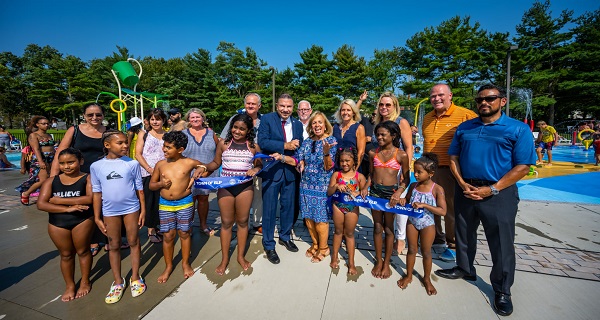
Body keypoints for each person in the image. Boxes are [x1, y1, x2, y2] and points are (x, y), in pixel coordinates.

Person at [435, 84, 536, 317]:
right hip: (466, 188)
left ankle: (502, 290)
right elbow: (453, 157)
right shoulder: (465, 128)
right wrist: (461, 184)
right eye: (480, 99)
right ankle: (465, 268)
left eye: (490, 98)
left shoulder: (517, 129)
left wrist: (492, 189)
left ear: (503, 100)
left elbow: (523, 167)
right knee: (463, 232)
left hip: (499, 193)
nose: (483, 102)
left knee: (500, 241)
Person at [422, 83, 477, 261]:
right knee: (430, 205)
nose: (436, 98)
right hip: (429, 170)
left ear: (450, 95)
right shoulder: (428, 117)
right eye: (433, 96)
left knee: (450, 209)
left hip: (450, 170)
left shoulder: (465, 115)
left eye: (440, 95)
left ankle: (453, 244)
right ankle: (437, 238)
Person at [91, 130, 146, 304]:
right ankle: (117, 281)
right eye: (120, 143)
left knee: (133, 241)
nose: (125, 145)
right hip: (109, 211)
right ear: (107, 145)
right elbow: (96, 193)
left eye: (126, 142)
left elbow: (140, 189)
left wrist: (143, 210)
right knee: (113, 245)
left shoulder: (132, 164)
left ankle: (135, 277)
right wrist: (97, 217)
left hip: (131, 208)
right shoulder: (97, 166)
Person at [204, 113, 262, 275]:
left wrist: (255, 169)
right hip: (226, 187)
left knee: (243, 222)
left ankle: (240, 256)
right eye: (235, 127)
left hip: (245, 188)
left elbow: (259, 165)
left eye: (242, 129)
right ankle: (224, 259)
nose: (237, 131)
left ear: (249, 130)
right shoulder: (224, 144)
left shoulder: (253, 146)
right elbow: (216, 163)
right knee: (227, 223)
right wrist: (203, 168)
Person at [37, 148, 94, 302]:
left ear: (80, 161)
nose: (66, 166)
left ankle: (84, 280)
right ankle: (69, 285)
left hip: (82, 220)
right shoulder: (52, 181)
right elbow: (41, 204)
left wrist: (59, 200)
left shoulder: (87, 178)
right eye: (62, 163)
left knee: (83, 251)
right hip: (58, 222)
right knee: (66, 254)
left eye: (71, 162)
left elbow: (90, 199)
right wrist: (68, 209)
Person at [52, 103, 107, 256]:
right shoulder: (75, 130)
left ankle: (106, 237)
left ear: (103, 115)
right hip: (79, 176)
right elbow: (60, 153)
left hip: (102, 175)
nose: (94, 118)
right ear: (84, 115)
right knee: (84, 207)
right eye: (90, 115)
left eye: (98, 114)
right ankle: (91, 240)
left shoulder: (108, 132)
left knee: (104, 206)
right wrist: (53, 178)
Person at [149, 131, 205, 283]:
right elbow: (151, 185)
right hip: (165, 204)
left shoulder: (189, 162)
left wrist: (200, 169)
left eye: (168, 147)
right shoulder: (160, 165)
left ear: (180, 150)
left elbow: (202, 166)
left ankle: (185, 263)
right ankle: (168, 266)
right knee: (168, 235)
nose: (164, 150)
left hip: (184, 203)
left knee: (184, 233)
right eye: (164, 146)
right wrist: (161, 184)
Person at [257, 93, 304, 264]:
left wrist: (300, 159)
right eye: (282, 106)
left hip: (290, 172)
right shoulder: (267, 119)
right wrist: (285, 146)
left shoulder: (298, 124)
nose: (285, 109)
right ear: (277, 105)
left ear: (293, 108)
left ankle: (285, 236)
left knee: (288, 208)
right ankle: (269, 245)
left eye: (289, 107)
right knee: (269, 210)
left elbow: (300, 147)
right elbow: (263, 141)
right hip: (272, 171)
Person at [397, 153, 447, 295]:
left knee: (426, 252)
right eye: (415, 171)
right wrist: (403, 201)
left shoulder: (437, 189)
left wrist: (425, 205)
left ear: (431, 173)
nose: (416, 174)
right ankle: (408, 275)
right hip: (412, 222)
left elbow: (443, 211)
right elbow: (406, 200)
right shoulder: (413, 186)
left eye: (419, 172)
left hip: (428, 224)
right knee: (412, 249)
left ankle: (426, 279)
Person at [371, 92, 413, 255]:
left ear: (395, 106)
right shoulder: (377, 122)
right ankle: (385, 237)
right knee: (384, 205)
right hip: (381, 167)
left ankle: (400, 238)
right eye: (381, 104)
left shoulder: (400, 122)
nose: (384, 107)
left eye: (388, 105)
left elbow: (408, 146)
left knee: (398, 203)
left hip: (398, 165)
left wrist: (406, 169)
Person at [367, 120, 410, 279]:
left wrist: (399, 192)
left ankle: (387, 262)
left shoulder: (401, 155)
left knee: (389, 227)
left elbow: (407, 178)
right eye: (377, 134)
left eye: (383, 135)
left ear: (393, 136)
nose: (379, 137)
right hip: (376, 193)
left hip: (391, 195)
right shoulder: (373, 153)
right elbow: (371, 174)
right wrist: (366, 186)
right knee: (377, 227)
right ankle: (378, 261)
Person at [220, 93, 264, 234]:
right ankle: (232, 221)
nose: (250, 106)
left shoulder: (264, 121)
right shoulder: (235, 119)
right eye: (248, 103)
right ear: (245, 104)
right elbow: (223, 138)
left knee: (257, 194)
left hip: (256, 161)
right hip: (236, 164)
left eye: (254, 104)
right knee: (232, 197)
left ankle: (257, 222)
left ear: (259, 106)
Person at [296, 111, 336, 263]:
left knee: (320, 219)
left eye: (320, 122)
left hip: (322, 186)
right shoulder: (307, 142)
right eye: (314, 123)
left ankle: (324, 248)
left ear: (325, 124)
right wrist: (300, 162)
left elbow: (329, 167)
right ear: (311, 126)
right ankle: (315, 243)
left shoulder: (331, 141)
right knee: (308, 217)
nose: (317, 125)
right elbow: (300, 157)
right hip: (306, 184)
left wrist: (326, 153)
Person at [327, 147, 368, 274]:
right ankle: (334, 257)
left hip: (352, 209)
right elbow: (329, 192)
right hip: (337, 206)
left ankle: (351, 262)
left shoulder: (359, 177)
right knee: (338, 232)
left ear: (354, 161)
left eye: (347, 161)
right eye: (341, 161)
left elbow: (365, 195)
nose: (344, 164)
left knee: (349, 234)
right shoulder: (336, 175)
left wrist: (359, 192)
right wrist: (336, 186)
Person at [182, 108, 218, 236]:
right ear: (188, 120)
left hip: (206, 173)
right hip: (188, 173)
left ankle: (203, 224)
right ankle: (188, 225)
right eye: (192, 118)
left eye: (198, 117)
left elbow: (219, 151)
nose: (195, 120)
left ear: (203, 118)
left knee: (203, 199)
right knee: (189, 200)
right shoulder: (183, 133)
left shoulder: (211, 133)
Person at [135, 109, 167, 243]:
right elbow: (138, 154)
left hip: (164, 172)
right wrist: (149, 169)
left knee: (161, 201)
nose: (155, 122)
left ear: (163, 120)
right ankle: (151, 229)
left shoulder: (168, 134)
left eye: (158, 119)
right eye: (152, 119)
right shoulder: (144, 134)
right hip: (147, 173)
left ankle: (158, 225)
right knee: (150, 201)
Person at [16, 116, 55, 205]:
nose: (46, 125)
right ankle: (26, 193)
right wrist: (40, 161)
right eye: (43, 123)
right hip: (41, 158)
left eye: (47, 123)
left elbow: (52, 148)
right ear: (37, 125)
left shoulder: (48, 135)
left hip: (51, 158)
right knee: (42, 180)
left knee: (52, 178)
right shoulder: (34, 135)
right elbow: (36, 149)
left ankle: (49, 195)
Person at [332, 99, 366, 171]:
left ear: (353, 112)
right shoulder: (335, 127)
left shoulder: (359, 128)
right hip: (337, 167)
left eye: (348, 110)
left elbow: (361, 152)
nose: (345, 112)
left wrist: (354, 169)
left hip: (352, 167)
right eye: (343, 110)